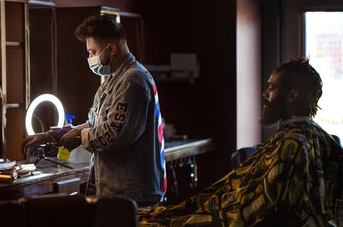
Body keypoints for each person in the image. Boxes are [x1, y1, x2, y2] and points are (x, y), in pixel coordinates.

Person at [138, 57, 343, 226]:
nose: (265, 94)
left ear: (293, 95)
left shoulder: (292, 145)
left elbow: (260, 210)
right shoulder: (321, 138)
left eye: (271, 88)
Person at [23, 15, 167, 206]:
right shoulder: (113, 81)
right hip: (115, 191)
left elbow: (114, 134)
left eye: (92, 52)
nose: (89, 58)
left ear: (111, 49)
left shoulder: (132, 81)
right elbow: (94, 124)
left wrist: (78, 137)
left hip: (132, 194)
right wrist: (53, 136)